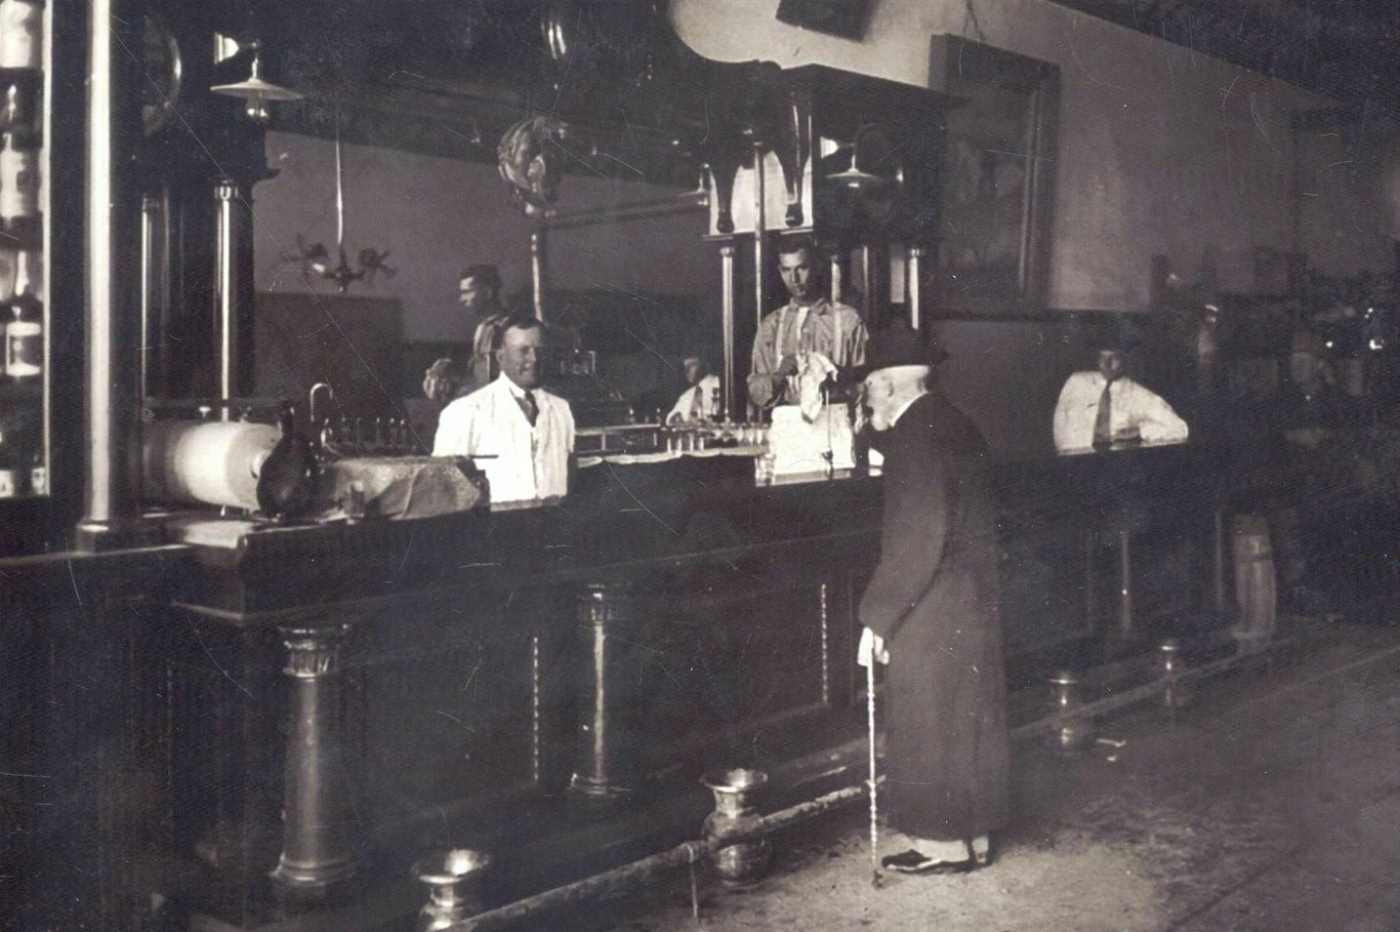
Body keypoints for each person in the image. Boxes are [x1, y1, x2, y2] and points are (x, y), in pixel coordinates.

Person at [856, 323, 1009, 874]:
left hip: (934, 602)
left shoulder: (914, 440)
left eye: (870, 386)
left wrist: (877, 619)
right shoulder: (951, 422)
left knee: (930, 716)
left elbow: (916, 541)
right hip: (972, 596)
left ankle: (943, 846)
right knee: (968, 716)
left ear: (891, 387)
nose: (866, 396)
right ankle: (977, 838)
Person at [433, 314, 575, 504]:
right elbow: (443, 484)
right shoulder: (464, 412)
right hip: (496, 528)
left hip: (553, 527)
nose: (534, 359)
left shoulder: (561, 409)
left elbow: (568, 470)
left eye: (540, 350)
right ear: (501, 357)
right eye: (523, 351)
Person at [747, 237, 868, 410]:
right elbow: (756, 394)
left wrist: (834, 375)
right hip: (787, 426)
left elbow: (865, 384)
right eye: (786, 270)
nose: (794, 278)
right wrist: (779, 375)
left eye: (802, 268)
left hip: (834, 425)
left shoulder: (848, 320)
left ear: (817, 267)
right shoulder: (771, 325)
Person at [1052, 336, 1189, 452]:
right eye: (1102, 357)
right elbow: (1059, 423)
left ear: (1124, 360)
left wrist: (1140, 431)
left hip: (1114, 466)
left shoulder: (1139, 395)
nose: (1106, 364)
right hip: (1072, 463)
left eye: (1114, 358)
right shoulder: (1076, 382)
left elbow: (1180, 428)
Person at [423, 264, 510, 404]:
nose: (462, 299)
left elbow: (494, 385)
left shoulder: (508, 329)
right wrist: (449, 374)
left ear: (487, 292)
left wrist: (455, 389)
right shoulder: (484, 327)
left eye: (467, 292)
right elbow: (478, 377)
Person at [666, 352, 720, 425]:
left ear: (704, 365)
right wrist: (675, 417)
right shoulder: (687, 395)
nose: (686, 371)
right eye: (685, 367)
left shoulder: (719, 384)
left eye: (691, 365)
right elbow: (670, 418)